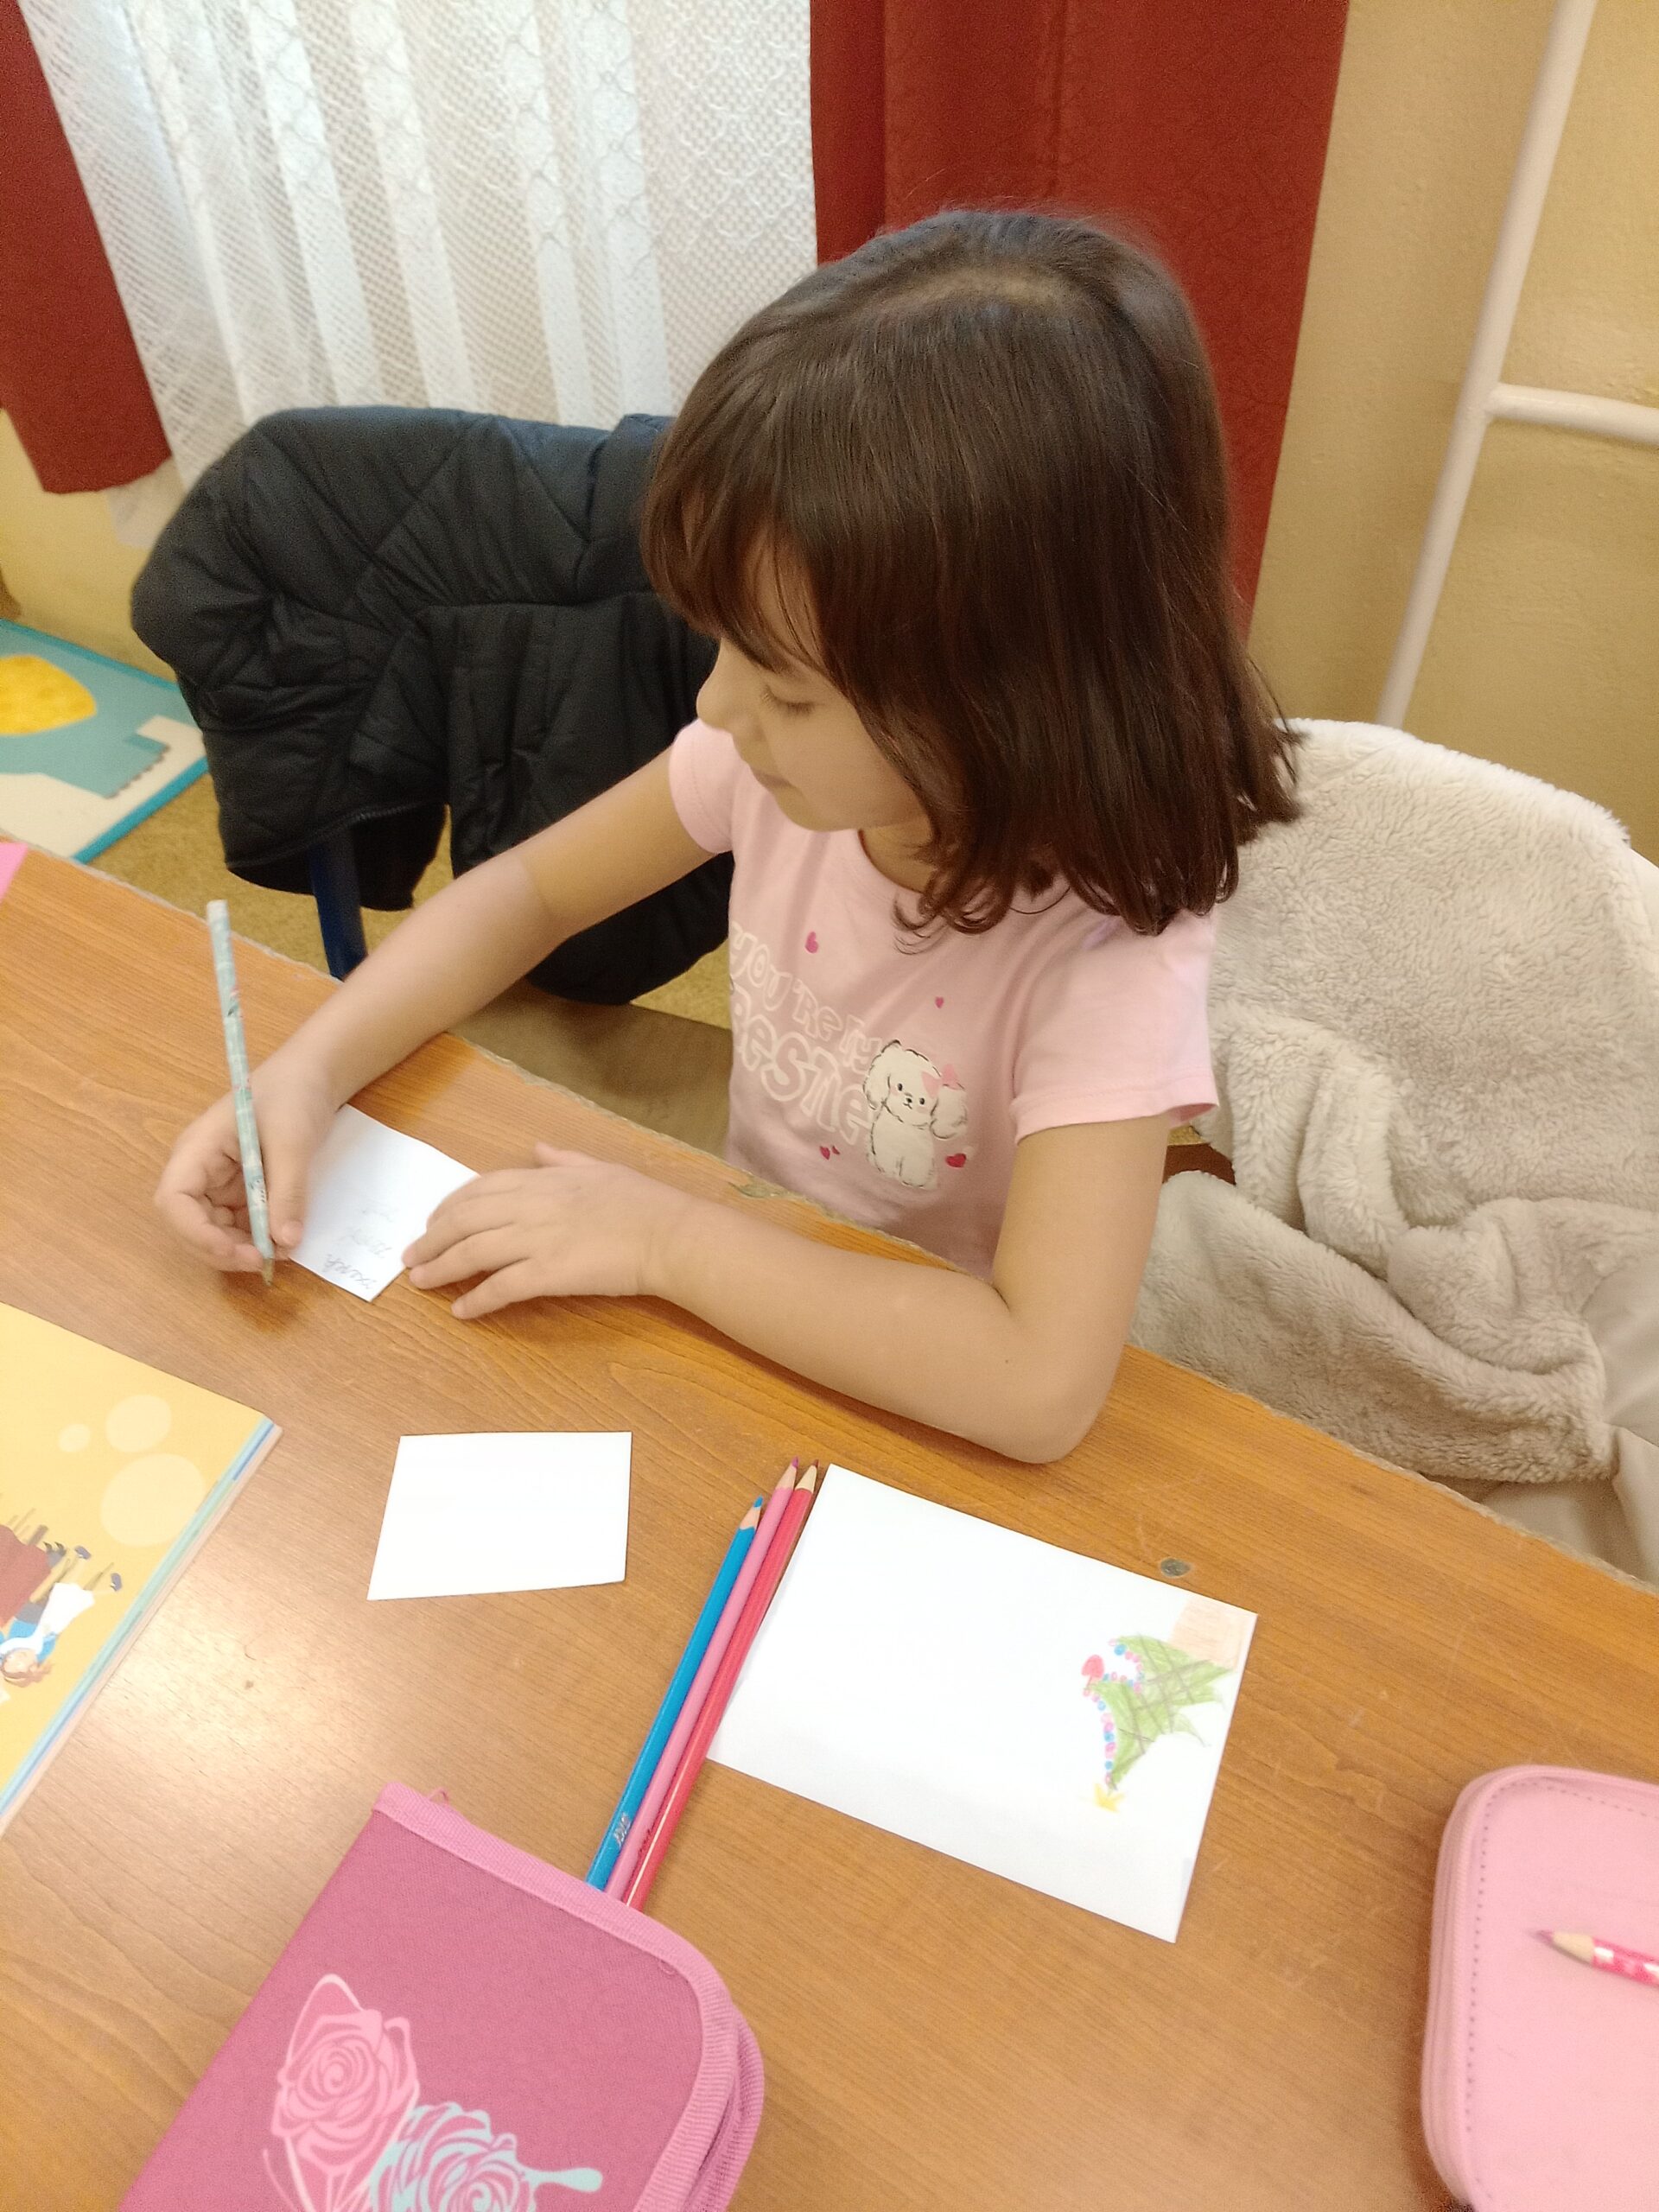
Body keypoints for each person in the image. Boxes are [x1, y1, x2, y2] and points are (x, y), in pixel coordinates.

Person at [156, 210, 1300, 1463]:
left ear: (1007, 700)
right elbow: (526, 896)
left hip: (910, 1366)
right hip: (752, 1258)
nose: (714, 707)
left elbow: (1036, 1386)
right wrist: (307, 1071)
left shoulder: (1112, 951)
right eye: (721, 649)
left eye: (786, 689)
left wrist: (667, 1240)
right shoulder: (768, 762)